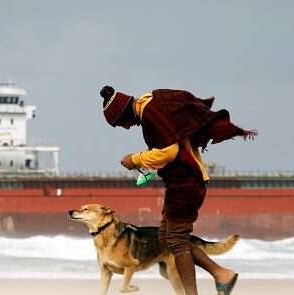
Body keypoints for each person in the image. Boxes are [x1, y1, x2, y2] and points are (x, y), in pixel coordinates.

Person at [100, 85, 257, 295]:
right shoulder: (155, 100)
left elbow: (169, 151)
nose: (126, 127)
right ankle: (221, 274)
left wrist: (134, 159)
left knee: (176, 241)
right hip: (184, 181)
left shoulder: (150, 115)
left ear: (124, 113)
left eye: (121, 123)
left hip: (186, 183)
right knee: (167, 238)